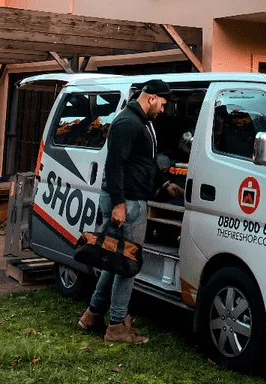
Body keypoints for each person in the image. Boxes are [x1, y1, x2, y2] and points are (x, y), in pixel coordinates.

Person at [77, 79, 182, 344]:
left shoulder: (141, 122)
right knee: (128, 265)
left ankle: (92, 315)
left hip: (130, 200)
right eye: (162, 104)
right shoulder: (128, 123)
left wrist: (163, 183)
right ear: (151, 98)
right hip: (128, 202)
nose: (163, 110)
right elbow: (115, 165)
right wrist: (119, 204)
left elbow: (144, 162)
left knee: (116, 260)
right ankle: (116, 327)